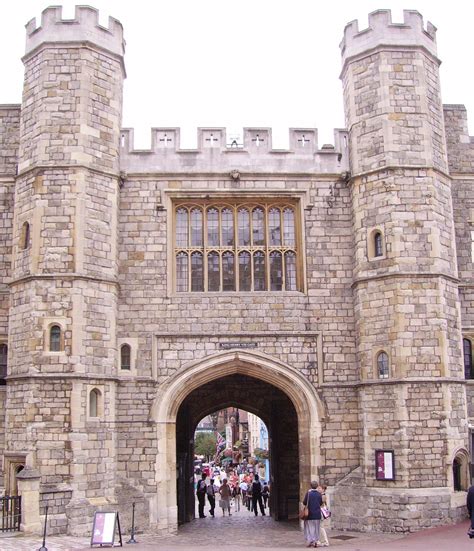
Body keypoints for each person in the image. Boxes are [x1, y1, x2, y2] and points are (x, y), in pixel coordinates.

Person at [302, 481, 322, 548]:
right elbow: (321, 503)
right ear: (317, 486)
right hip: (317, 514)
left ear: (311, 486)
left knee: (310, 528)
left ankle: (311, 541)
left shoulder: (308, 494)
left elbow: (304, 502)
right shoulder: (319, 494)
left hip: (310, 514)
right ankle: (316, 541)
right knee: (317, 528)